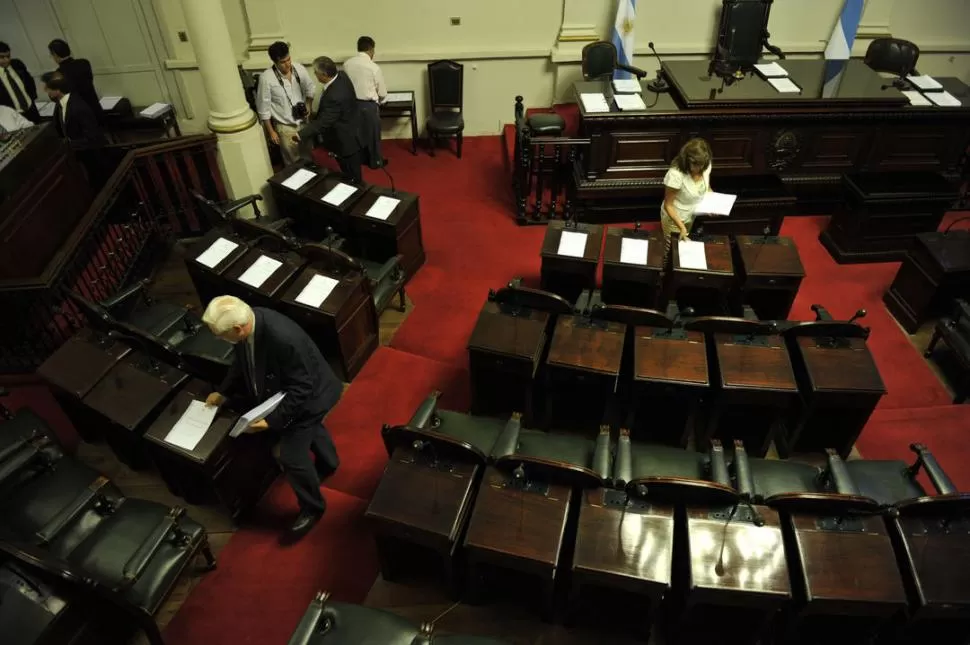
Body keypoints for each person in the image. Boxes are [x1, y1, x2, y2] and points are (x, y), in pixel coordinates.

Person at [202, 296, 342, 543]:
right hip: (296, 392)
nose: (220, 340)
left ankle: (313, 508)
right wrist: (223, 392)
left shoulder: (281, 337)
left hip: (311, 398)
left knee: (291, 455)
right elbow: (242, 363)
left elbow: (302, 388)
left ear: (238, 329)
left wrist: (272, 422)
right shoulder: (248, 318)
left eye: (222, 336)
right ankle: (329, 462)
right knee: (313, 431)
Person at [293, 57, 363, 184]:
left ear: (324, 75)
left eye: (316, 72)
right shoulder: (341, 76)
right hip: (351, 129)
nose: (315, 74)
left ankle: (355, 189)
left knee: (351, 174)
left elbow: (323, 122)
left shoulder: (334, 96)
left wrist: (300, 134)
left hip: (344, 140)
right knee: (351, 168)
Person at [256, 41, 316, 165]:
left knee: (310, 159)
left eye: (288, 59)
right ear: (274, 62)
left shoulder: (299, 68)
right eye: (282, 62)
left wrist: (309, 105)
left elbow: (310, 88)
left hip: (304, 123)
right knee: (293, 164)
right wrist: (271, 131)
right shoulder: (266, 78)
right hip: (285, 127)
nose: (287, 64)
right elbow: (263, 107)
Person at [661, 138, 713, 258]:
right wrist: (682, 228)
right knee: (670, 251)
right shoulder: (675, 174)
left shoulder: (705, 165)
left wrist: (712, 203)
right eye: (695, 164)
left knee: (683, 250)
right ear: (686, 160)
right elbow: (668, 205)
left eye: (702, 165)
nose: (699, 168)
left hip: (691, 215)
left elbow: (706, 186)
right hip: (674, 218)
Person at [343, 36, 387, 169]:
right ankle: (375, 162)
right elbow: (382, 92)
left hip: (351, 105)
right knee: (373, 135)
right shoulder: (373, 67)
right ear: (371, 49)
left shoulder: (347, 64)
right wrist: (383, 100)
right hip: (369, 106)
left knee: (358, 134)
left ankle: (361, 159)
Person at [48, 38, 104, 125]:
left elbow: (54, 97)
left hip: (78, 115)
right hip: (94, 107)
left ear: (55, 55)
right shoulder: (84, 63)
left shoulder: (58, 74)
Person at [43, 72, 105, 149]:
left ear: (57, 90)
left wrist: (68, 144)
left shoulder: (78, 107)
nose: (45, 91)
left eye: (47, 88)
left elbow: (92, 138)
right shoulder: (60, 102)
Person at [0, 42, 40, 123]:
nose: (6, 60)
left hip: (30, 108)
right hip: (14, 115)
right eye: (2, 57)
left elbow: (30, 81)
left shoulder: (17, 64)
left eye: (8, 56)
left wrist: (32, 98)